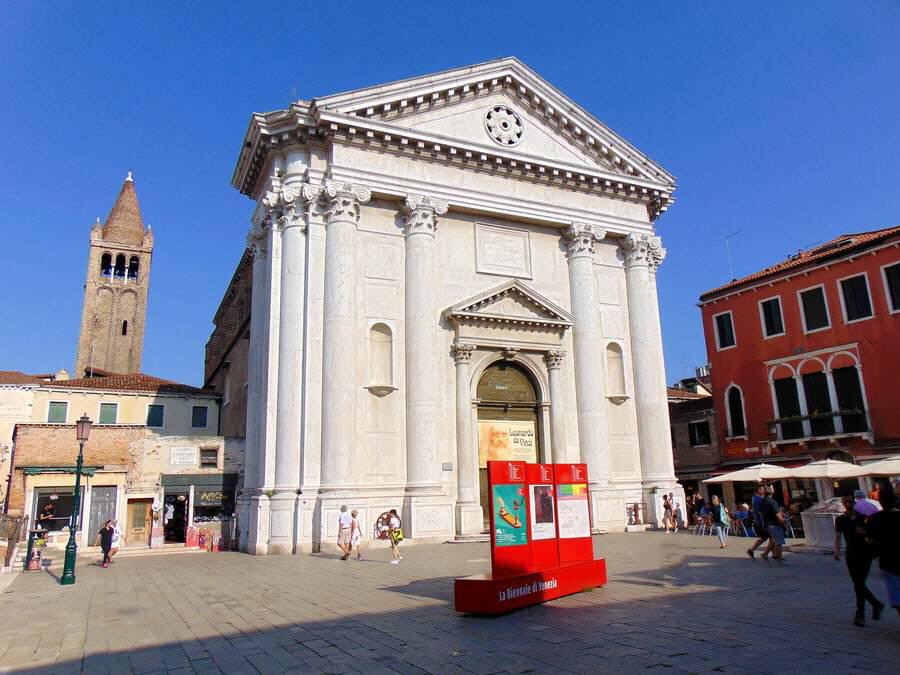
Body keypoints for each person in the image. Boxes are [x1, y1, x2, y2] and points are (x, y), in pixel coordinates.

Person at [834, 495, 884, 627]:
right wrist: (837, 550)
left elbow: (872, 535)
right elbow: (838, 536)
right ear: (842, 503)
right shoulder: (841, 519)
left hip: (864, 554)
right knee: (858, 583)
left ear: (854, 502)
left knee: (859, 584)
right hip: (850, 554)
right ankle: (874, 604)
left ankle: (861, 613)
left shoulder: (863, 518)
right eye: (845, 501)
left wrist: (863, 533)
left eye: (850, 501)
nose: (847, 503)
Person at [864, 478, 900, 617]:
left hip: (888, 561)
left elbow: (869, 539)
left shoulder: (875, 519)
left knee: (896, 594)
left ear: (880, 502)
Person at [759, 484, 785, 563]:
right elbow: (778, 514)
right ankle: (779, 559)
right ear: (771, 492)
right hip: (774, 524)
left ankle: (765, 553)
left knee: (773, 540)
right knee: (779, 542)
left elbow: (760, 513)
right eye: (772, 488)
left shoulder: (763, 501)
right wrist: (783, 523)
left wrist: (763, 522)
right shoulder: (772, 502)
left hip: (767, 524)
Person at [747, 483, 769, 559]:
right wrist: (763, 522)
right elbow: (760, 511)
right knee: (770, 538)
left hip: (759, 521)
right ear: (758, 490)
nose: (763, 491)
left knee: (766, 538)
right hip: (761, 521)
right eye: (762, 489)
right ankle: (772, 554)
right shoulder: (758, 499)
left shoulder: (755, 498)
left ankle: (751, 550)